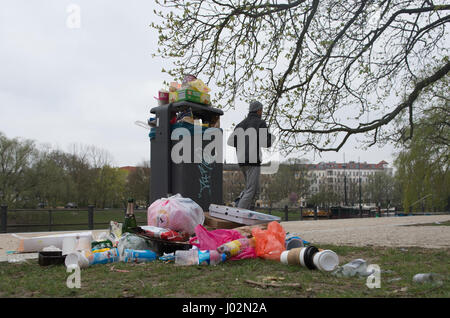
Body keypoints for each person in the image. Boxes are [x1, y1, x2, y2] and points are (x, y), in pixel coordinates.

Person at [227, 101, 274, 210]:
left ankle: (239, 202)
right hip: (253, 161)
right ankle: (239, 213)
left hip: (242, 161)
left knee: (254, 189)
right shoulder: (260, 123)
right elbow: (266, 142)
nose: (262, 112)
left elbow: (231, 141)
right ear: (258, 110)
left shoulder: (240, 125)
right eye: (261, 110)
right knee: (251, 190)